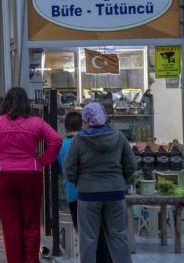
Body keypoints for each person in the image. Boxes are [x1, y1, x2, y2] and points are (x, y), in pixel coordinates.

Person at [0, 87, 62, 263]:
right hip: (31, 174)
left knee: (10, 223)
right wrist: (43, 161)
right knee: (31, 223)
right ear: (26, 103)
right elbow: (56, 140)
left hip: (5, 174)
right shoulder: (37, 123)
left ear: (5, 103)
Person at [63, 103, 136, 263]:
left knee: (88, 240)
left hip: (88, 195)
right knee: (119, 238)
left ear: (85, 119)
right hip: (115, 194)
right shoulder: (119, 137)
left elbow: (68, 167)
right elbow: (131, 164)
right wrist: (120, 181)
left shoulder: (79, 140)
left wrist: (78, 182)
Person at [58, 111, 111, 262]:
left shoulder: (62, 146)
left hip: (73, 195)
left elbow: (61, 170)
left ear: (65, 127)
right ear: (83, 125)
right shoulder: (89, 142)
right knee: (100, 233)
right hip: (94, 192)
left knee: (83, 235)